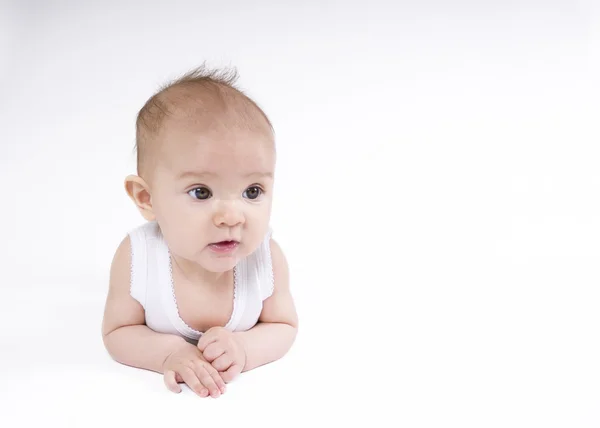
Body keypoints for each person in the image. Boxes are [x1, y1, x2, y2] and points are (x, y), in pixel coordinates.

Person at [101, 64, 299, 399]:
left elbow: (284, 326)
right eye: (201, 192)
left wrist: (244, 348)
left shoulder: (266, 258)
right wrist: (167, 353)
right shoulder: (138, 258)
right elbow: (119, 332)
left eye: (252, 191)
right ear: (147, 199)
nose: (231, 217)